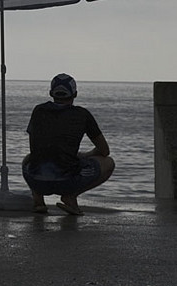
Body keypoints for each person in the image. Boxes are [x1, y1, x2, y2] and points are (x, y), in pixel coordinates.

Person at [21, 73, 115, 215]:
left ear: (50, 93)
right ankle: (70, 197)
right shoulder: (82, 115)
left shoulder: (38, 110)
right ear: (75, 94)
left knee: (28, 158)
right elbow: (104, 150)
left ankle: (38, 200)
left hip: (36, 180)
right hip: (66, 181)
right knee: (108, 163)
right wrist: (86, 155)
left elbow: (35, 149)